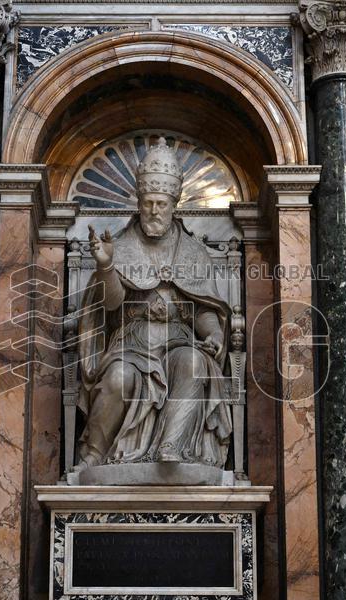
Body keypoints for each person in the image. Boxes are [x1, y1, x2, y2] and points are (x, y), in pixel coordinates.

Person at [74, 137, 233, 469]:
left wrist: (215, 334)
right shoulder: (120, 246)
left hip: (178, 339)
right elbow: (111, 305)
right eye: (148, 203)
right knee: (119, 378)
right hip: (132, 342)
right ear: (138, 203)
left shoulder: (193, 252)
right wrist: (106, 266)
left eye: (160, 204)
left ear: (174, 204)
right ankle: (94, 452)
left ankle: (172, 446)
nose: (154, 211)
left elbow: (205, 308)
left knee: (191, 363)